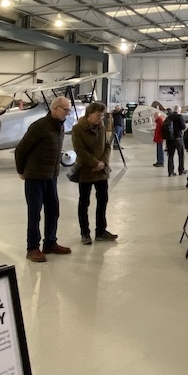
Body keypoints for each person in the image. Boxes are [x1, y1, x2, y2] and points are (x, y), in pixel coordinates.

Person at [14, 96, 74, 263]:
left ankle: (50, 242)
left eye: (69, 110)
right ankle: (32, 247)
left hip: (51, 177)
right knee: (35, 213)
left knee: (53, 210)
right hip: (35, 177)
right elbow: (21, 150)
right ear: (55, 109)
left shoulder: (60, 127)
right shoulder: (39, 126)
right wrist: (21, 171)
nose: (68, 113)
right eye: (65, 110)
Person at [72, 101, 117, 245]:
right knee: (84, 202)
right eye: (98, 115)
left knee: (103, 200)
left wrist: (102, 162)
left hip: (101, 171)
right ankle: (85, 233)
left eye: (102, 116)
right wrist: (94, 163)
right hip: (86, 170)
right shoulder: (78, 129)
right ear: (89, 114)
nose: (100, 119)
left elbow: (108, 145)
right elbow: (79, 150)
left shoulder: (102, 127)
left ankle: (101, 231)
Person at [163, 105, 186, 176]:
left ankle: (170, 172)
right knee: (181, 155)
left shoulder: (169, 117)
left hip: (169, 140)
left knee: (170, 156)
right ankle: (181, 170)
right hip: (178, 139)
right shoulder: (180, 117)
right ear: (179, 110)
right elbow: (183, 127)